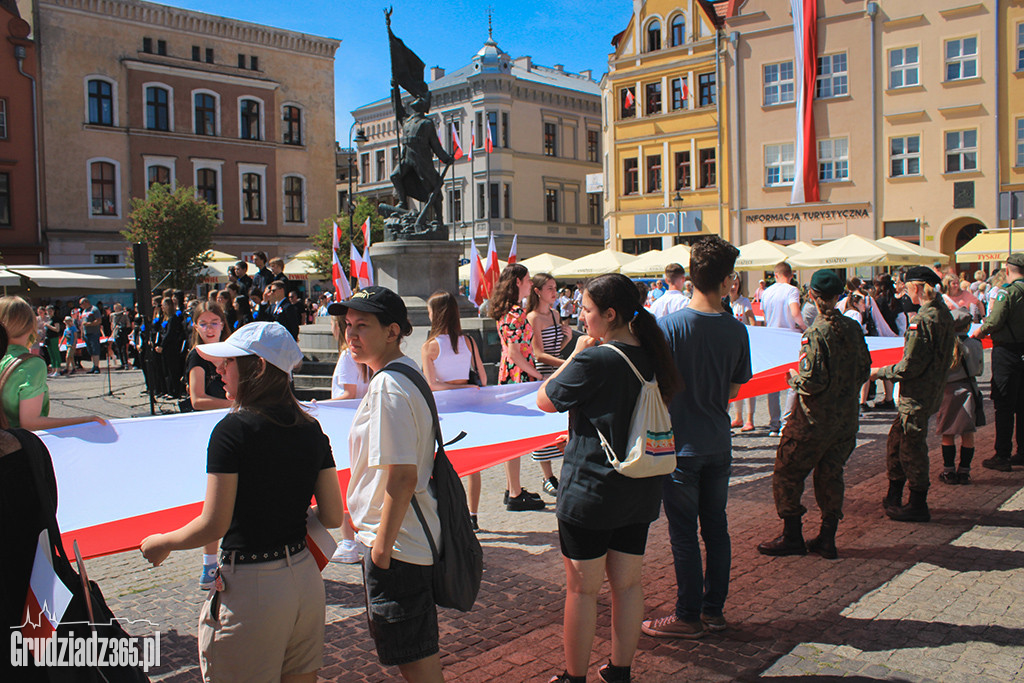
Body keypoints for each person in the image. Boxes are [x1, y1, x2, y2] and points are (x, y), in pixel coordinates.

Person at [141, 322, 343, 683]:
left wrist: (163, 542)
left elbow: (213, 524)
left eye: (229, 362)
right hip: (305, 581)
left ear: (259, 368)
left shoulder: (232, 430)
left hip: (253, 588)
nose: (219, 370)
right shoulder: (311, 428)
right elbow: (331, 514)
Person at [537, 273, 678, 683]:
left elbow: (545, 398)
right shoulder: (653, 354)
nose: (581, 318)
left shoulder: (595, 358)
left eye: (586, 310)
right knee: (628, 585)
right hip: (639, 485)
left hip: (591, 491)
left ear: (609, 314)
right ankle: (620, 670)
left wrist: (574, 353)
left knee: (582, 590)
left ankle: (574, 676)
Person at [642, 236, 751, 640]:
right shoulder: (737, 330)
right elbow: (736, 391)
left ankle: (688, 615)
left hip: (679, 446)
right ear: (727, 282)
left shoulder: (668, 328)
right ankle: (713, 611)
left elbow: (655, 388)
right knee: (716, 529)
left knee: (684, 534)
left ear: (690, 277)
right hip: (717, 441)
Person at [337, 286, 445, 683]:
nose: (351, 334)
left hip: (398, 543)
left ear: (392, 331)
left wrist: (380, 550)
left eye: (362, 325)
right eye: (348, 325)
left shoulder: (387, 385)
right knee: (417, 653)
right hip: (405, 538)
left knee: (415, 659)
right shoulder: (402, 373)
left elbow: (401, 476)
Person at [756, 271, 871, 559]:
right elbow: (865, 370)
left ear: (813, 297)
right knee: (831, 475)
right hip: (845, 420)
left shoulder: (817, 333)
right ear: (838, 296)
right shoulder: (853, 329)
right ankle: (827, 537)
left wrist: (792, 378)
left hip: (813, 422)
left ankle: (792, 535)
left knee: (787, 472)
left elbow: (812, 381)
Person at [870, 266, 955, 522]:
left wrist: (878, 373)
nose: (905, 292)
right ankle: (894, 494)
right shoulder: (941, 313)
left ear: (917, 287)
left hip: (917, 393)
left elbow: (910, 366)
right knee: (897, 441)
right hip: (929, 390)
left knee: (911, 448)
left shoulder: (923, 319)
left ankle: (918, 504)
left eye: (907, 287)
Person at [420, 290, 487, 531]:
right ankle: (473, 513)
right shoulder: (467, 340)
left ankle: (448, 513)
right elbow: (483, 376)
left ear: (434, 314)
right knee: (474, 462)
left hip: (445, 408)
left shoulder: (429, 346)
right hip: (470, 404)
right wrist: (467, 386)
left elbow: (431, 385)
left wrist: (450, 387)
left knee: (445, 462)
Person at [183, 302, 234, 590]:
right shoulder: (197, 356)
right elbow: (197, 399)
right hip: (209, 430)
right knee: (214, 498)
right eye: (203, 323)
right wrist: (233, 403)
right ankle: (209, 563)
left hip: (234, 427)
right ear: (196, 327)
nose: (210, 328)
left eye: (214, 322)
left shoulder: (230, 351)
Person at [0, 297, 107, 430]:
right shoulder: (31, 364)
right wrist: (85, 421)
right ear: (30, 326)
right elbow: (30, 423)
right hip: (15, 444)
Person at [490, 263, 545, 512]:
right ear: (517, 283)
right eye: (527, 279)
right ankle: (514, 492)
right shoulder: (515, 313)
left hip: (510, 375)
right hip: (518, 376)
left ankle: (513, 488)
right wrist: (537, 376)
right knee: (515, 436)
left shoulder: (509, 311)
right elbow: (515, 354)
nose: (531, 283)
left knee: (511, 434)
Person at [325, 303, 371, 565]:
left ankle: (348, 541)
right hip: (363, 424)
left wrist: (319, 406)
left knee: (345, 484)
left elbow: (348, 394)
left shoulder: (347, 356)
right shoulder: (366, 355)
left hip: (347, 424)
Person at [971, 253, 1024, 472]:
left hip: (1007, 352)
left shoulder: (1007, 293)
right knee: (1022, 405)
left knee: (1003, 404)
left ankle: (1002, 455)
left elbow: (995, 321)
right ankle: (1022, 452)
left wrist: (977, 334)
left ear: (1008, 269)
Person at [527, 273, 573, 495]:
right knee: (544, 425)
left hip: (557, 370)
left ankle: (562, 474)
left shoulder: (555, 314)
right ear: (537, 291)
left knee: (560, 423)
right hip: (543, 374)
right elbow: (538, 354)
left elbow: (555, 349)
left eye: (555, 288)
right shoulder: (533, 317)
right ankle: (548, 476)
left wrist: (566, 338)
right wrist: (568, 362)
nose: (555, 292)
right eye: (550, 288)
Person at [937, 309, 984, 485]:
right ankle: (964, 471)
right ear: (968, 325)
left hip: (948, 391)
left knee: (947, 432)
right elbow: (979, 370)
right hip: (969, 388)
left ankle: (948, 471)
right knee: (967, 433)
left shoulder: (945, 344)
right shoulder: (975, 344)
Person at [761, 262, 806, 436]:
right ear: (790, 275)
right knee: (792, 380)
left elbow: (765, 316)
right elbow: (795, 312)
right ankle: (786, 422)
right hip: (788, 336)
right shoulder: (791, 290)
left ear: (776, 275)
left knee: (773, 382)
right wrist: (803, 326)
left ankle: (774, 422)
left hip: (771, 335)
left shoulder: (766, 292)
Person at [728, 277, 757, 432]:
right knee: (734, 384)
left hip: (743, 346)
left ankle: (749, 419)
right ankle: (738, 417)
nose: (733, 286)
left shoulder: (743, 302)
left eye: (736, 284)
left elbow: (752, 321)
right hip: (731, 348)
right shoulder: (725, 302)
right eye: (732, 283)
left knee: (747, 383)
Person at [155, 297, 186, 399]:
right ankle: (168, 390)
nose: (162, 307)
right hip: (165, 348)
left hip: (171, 348)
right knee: (166, 370)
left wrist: (162, 345)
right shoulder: (165, 318)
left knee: (173, 370)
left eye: (164, 305)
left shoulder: (173, 318)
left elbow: (169, 334)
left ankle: (175, 391)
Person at [79, 297, 103, 373]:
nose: (80, 306)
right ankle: (93, 366)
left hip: (94, 333)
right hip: (86, 333)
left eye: (81, 304)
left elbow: (99, 321)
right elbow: (82, 323)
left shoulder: (94, 309)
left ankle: (96, 367)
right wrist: (82, 333)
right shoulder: (84, 311)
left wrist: (89, 324)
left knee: (95, 349)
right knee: (90, 351)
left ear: (85, 302)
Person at [43, 305, 62, 378]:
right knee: (51, 354)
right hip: (48, 338)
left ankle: (58, 370)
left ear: (53, 311)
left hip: (54, 338)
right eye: (48, 311)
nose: (49, 312)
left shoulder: (55, 319)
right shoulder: (48, 319)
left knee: (55, 353)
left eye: (50, 311)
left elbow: (57, 329)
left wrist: (48, 326)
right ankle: (53, 370)